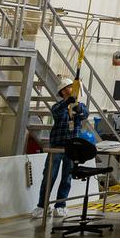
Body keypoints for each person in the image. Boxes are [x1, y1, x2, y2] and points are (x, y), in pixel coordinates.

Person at [33, 80, 88, 218]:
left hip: (72, 147)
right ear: (63, 91)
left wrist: (78, 109)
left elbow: (84, 114)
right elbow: (56, 112)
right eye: (70, 87)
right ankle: (42, 205)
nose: (73, 89)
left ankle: (60, 205)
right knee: (49, 176)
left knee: (67, 177)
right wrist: (67, 103)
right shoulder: (58, 106)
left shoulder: (80, 106)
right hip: (57, 147)